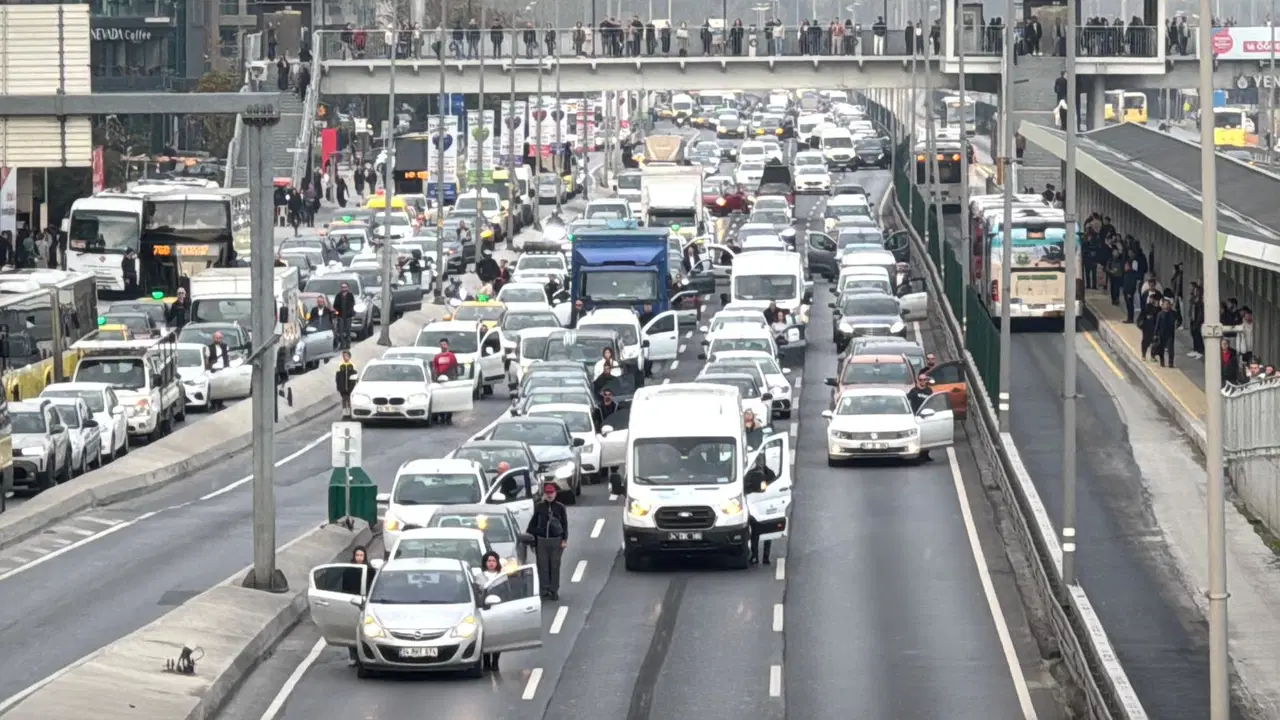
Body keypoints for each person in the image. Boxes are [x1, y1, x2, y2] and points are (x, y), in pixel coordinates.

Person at [526, 482, 568, 601]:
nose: (550, 495)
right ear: (544, 494)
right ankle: (544, 589)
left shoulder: (560, 507)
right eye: (547, 493)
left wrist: (564, 539)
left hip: (556, 541)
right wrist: (533, 542)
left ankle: (554, 590)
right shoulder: (539, 507)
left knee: (555, 566)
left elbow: (565, 524)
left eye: (552, 493)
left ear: (555, 494)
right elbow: (532, 525)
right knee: (542, 566)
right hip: (542, 540)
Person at [744, 453, 777, 565]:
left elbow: (774, 489)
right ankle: (755, 555)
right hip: (755, 506)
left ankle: (766, 557)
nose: (760, 462)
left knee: (768, 532)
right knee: (755, 532)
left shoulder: (770, 474)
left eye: (762, 460)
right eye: (758, 460)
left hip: (766, 506)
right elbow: (745, 489)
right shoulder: (750, 474)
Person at [345, 545, 376, 665]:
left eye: (361, 555)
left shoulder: (369, 570)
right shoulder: (349, 570)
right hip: (352, 603)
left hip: (366, 605)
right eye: (357, 555)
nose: (359, 558)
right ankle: (353, 656)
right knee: (352, 631)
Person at [430, 340, 459, 424]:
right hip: (440, 380)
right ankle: (441, 416)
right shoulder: (437, 357)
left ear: (448, 345)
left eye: (444, 344)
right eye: (441, 344)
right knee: (441, 399)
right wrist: (435, 379)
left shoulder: (452, 356)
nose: (443, 346)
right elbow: (434, 368)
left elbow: (455, 367)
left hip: (449, 380)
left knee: (450, 399)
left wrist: (454, 378)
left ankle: (448, 417)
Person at [333, 281, 357, 349]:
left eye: (345, 287)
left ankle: (348, 343)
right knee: (340, 331)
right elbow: (335, 305)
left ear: (348, 288)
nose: (344, 288)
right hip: (340, 316)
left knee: (348, 330)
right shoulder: (338, 295)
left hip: (348, 316)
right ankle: (342, 344)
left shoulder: (350, 295)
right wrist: (336, 312)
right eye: (342, 287)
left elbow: (353, 305)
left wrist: (351, 312)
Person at [335, 350, 358, 417]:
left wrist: (354, 385)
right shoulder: (341, 365)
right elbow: (337, 377)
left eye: (346, 356)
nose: (345, 357)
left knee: (349, 399)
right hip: (343, 386)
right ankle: (345, 412)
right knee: (344, 399)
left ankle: (350, 411)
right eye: (343, 356)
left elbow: (355, 377)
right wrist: (338, 386)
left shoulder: (352, 365)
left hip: (350, 386)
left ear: (349, 357)